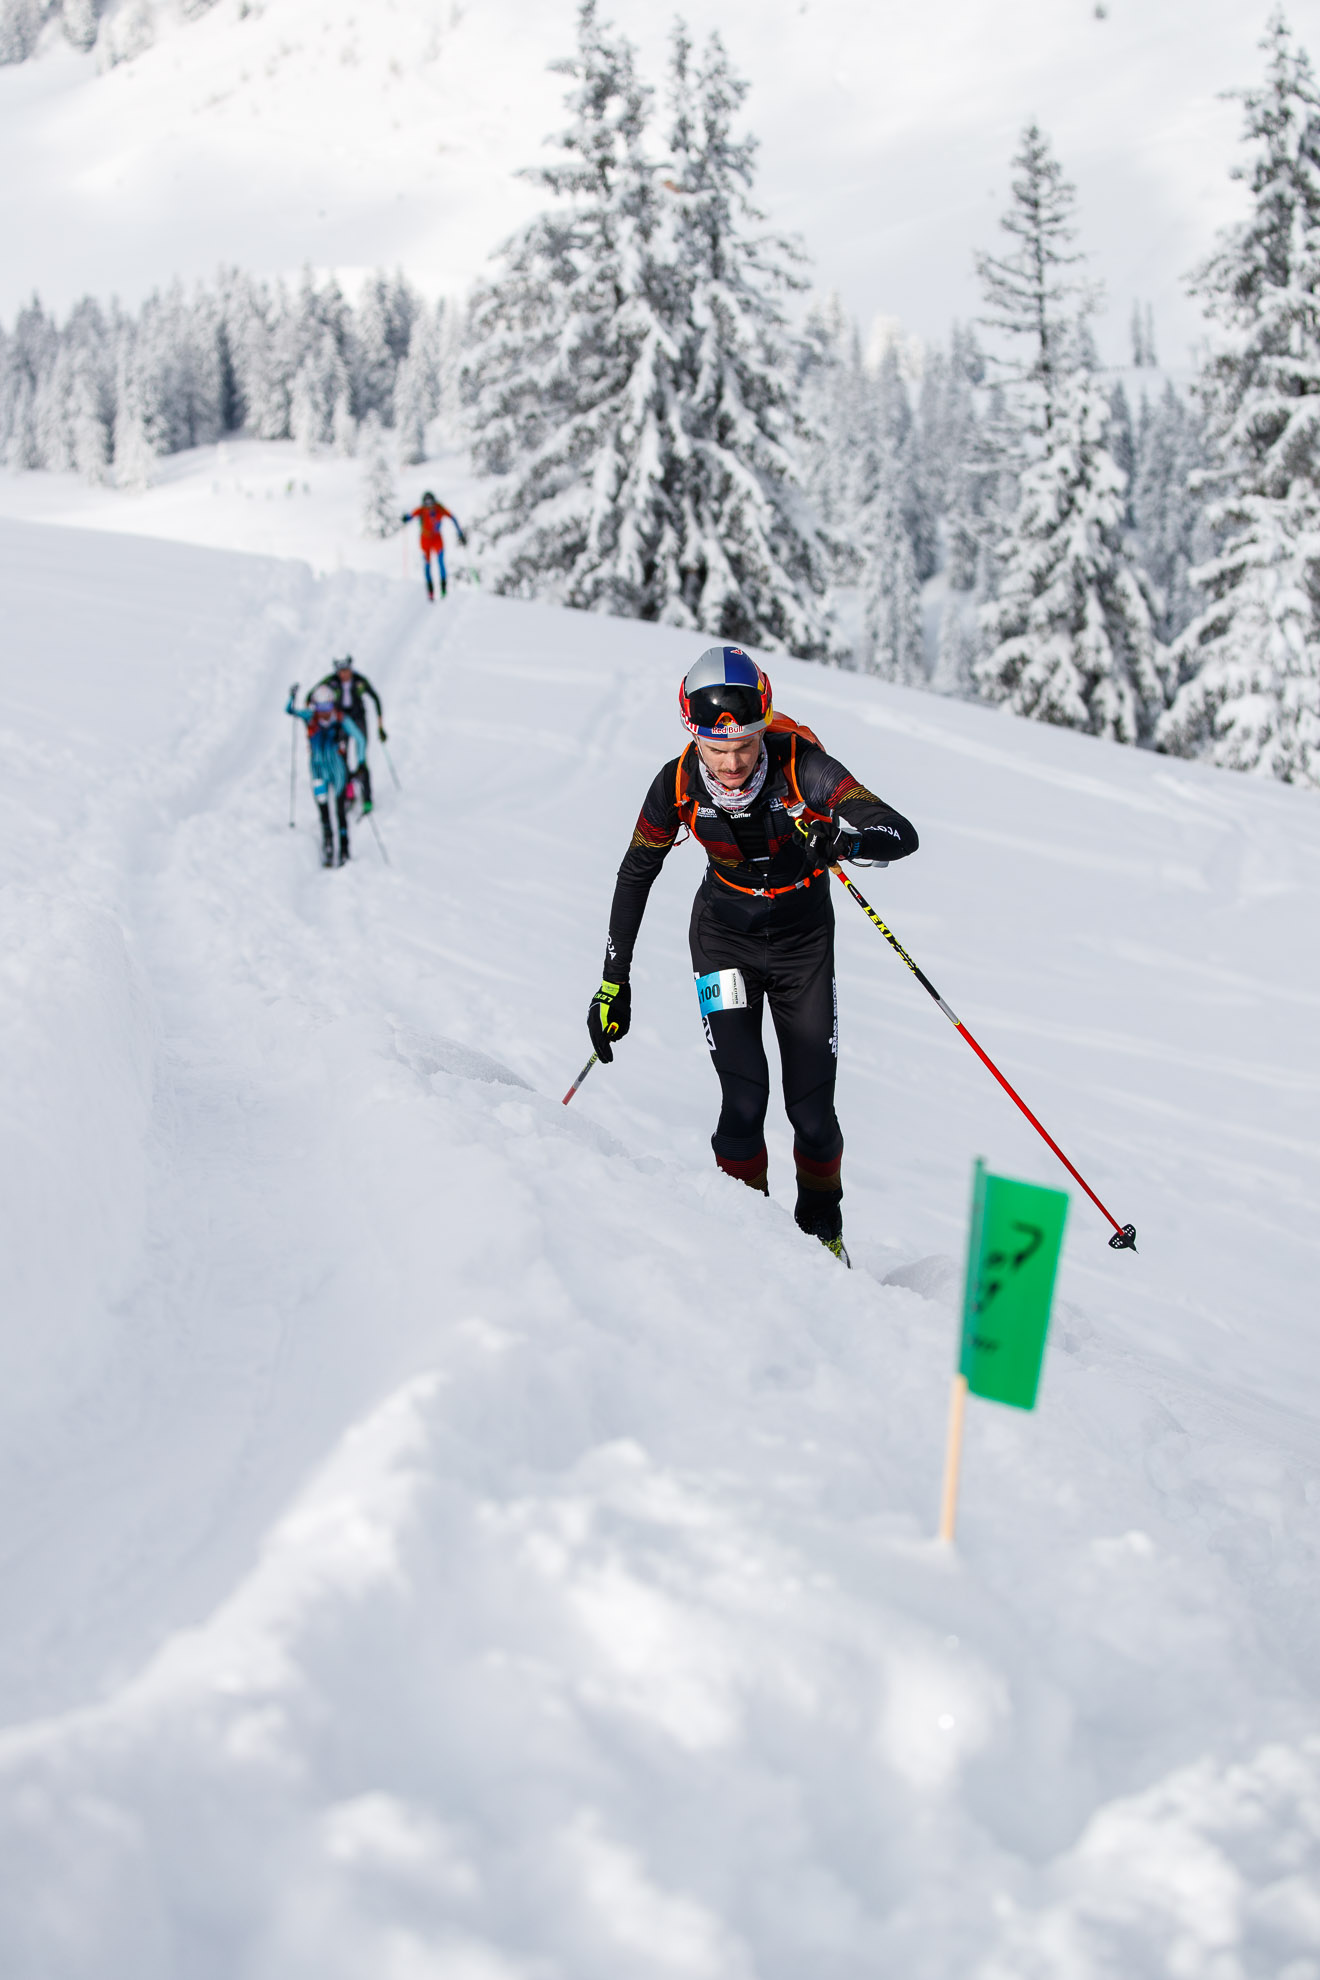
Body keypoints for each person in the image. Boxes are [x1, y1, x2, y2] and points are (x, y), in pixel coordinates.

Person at [587, 646, 919, 1262]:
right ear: (695, 738)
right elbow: (636, 872)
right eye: (717, 750)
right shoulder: (678, 783)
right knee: (743, 1101)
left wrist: (843, 837)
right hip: (723, 942)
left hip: (803, 948)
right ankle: (749, 1244)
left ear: (764, 724)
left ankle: (823, 1234)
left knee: (812, 1111)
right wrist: (614, 981)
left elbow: (898, 831)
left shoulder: (803, 768)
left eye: (745, 744)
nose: (733, 762)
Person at [286, 682, 366, 867]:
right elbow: (289, 710)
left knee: (339, 810)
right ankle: (328, 844)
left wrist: (360, 763)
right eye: (320, 707)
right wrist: (292, 696)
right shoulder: (310, 718)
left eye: (327, 707)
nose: (324, 712)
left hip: (337, 771)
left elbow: (359, 739)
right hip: (318, 770)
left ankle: (344, 848)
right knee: (323, 810)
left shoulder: (340, 719)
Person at [313, 657, 385, 813]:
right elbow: (313, 694)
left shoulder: (359, 680)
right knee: (342, 757)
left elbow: (375, 698)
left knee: (361, 758)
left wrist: (380, 725)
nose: (343, 675)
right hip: (342, 721)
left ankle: (367, 797)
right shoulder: (331, 681)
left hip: (358, 720)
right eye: (340, 672)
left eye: (346, 671)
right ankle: (349, 792)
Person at [401, 490, 467, 601]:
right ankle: (430, 592)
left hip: (437, 539)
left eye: (431, 502)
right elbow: (410, 516)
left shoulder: (439, 508)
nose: (429, 505)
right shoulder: (421, 510)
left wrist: (460, 533)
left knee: (441, 564)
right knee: (427, 565)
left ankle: (443, 589)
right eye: (427, 503)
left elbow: (452, 518)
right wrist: (405, 518)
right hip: (425, 540)